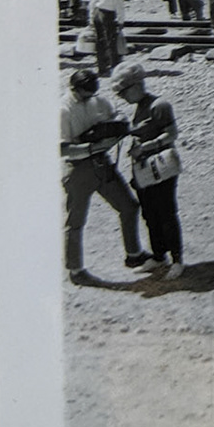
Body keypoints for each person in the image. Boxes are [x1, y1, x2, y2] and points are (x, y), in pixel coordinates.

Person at [60, 68, 148, 284]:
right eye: (85, 93)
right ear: (74, 88)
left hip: (103, 164)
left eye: (92, 93)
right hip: (78, 168)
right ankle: (76, 270)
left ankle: (134, 255)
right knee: (76, 221)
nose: (90, 97)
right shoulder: (62, 109)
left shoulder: (98, 101)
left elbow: (117, 116)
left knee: (129, 206)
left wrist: (113, 126)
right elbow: (62, 149)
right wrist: (92, 147)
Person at [113, 64, 184, 279]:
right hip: (143, 169)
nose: (123, 97)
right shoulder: (139, 107)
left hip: (161, 167)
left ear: (136, 86)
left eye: (124, 92)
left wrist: (145, 147)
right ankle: (159, 255)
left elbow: (171, 134)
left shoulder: (159, 105)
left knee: (166, 213)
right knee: (149, 213)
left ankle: (177, 259)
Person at [88, 0, 129, 73]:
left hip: (97, 12)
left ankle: (101, 67)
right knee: (111, 41)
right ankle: (114, 66)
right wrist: (121, 20)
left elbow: (93, 1)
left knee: (99, 41)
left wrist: (91, 17)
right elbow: (119, 3)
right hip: (108, 13)